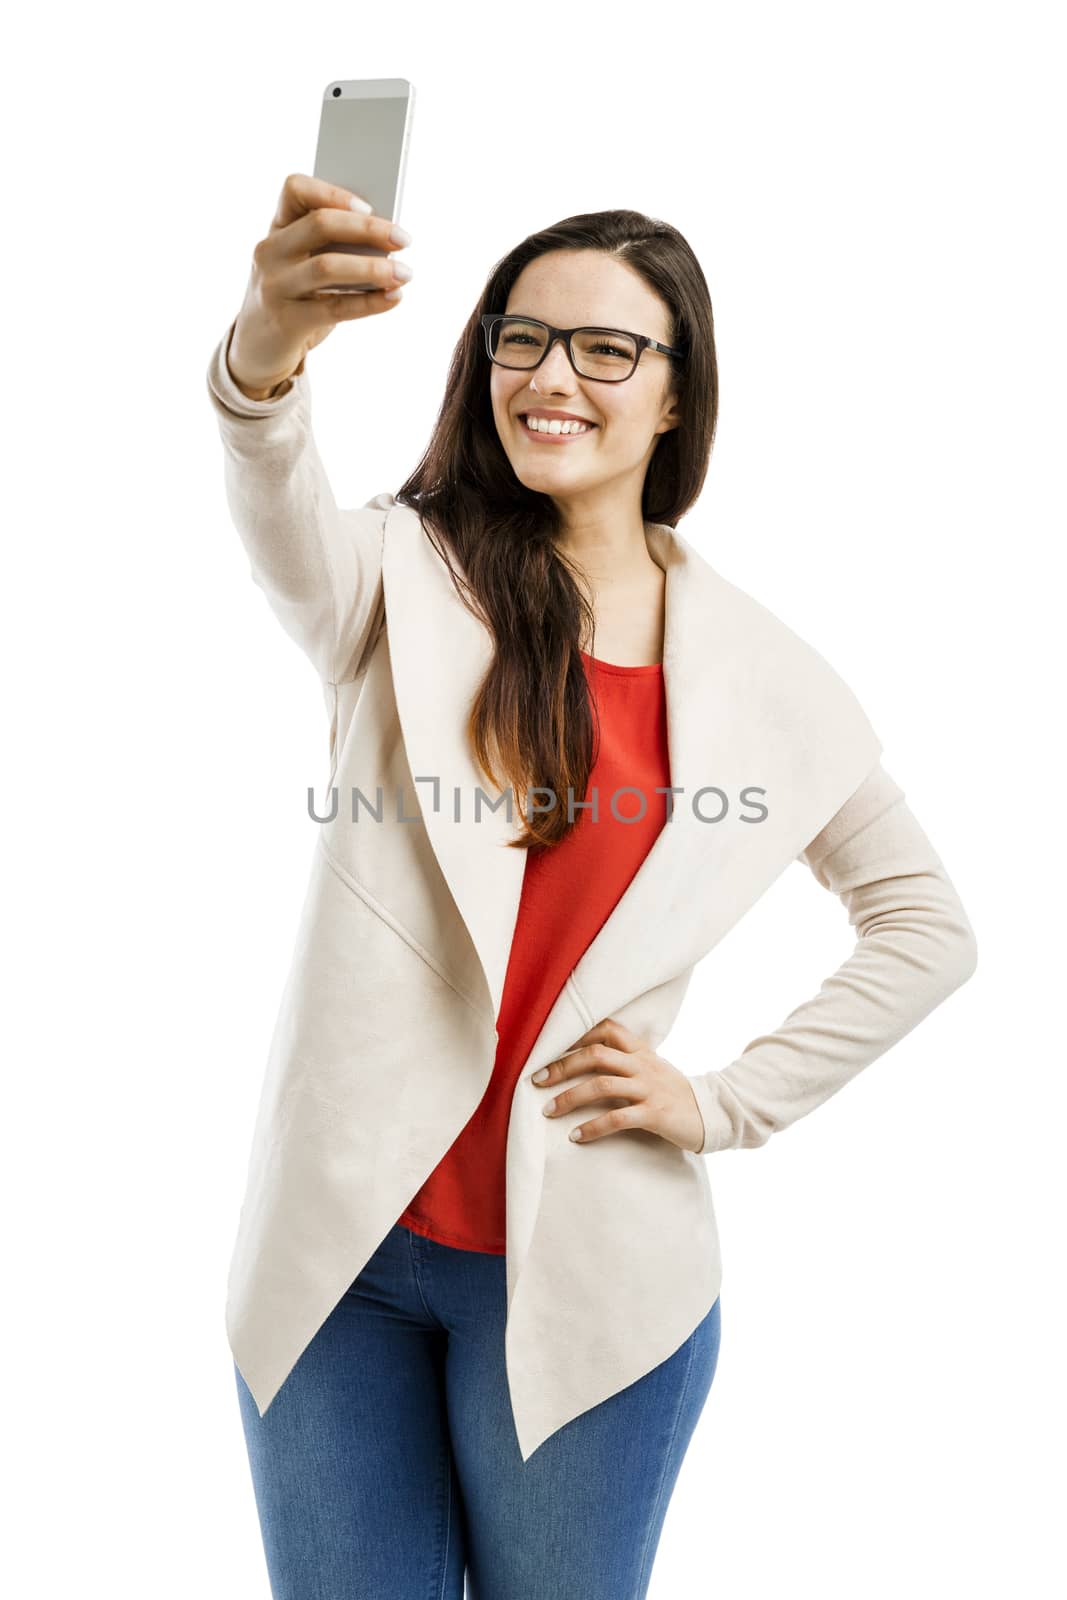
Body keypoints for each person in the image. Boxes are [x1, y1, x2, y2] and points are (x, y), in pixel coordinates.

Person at [206, 174, 977, 1599]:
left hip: (589, 1288)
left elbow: (927, 924)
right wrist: (264, 358)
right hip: (343, 1269)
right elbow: (275, 501)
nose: (553, 377)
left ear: (677, 397)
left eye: (607, 349)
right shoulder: (400, 574)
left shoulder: (764, 678)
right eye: (523, 338)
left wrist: (725, 1100)